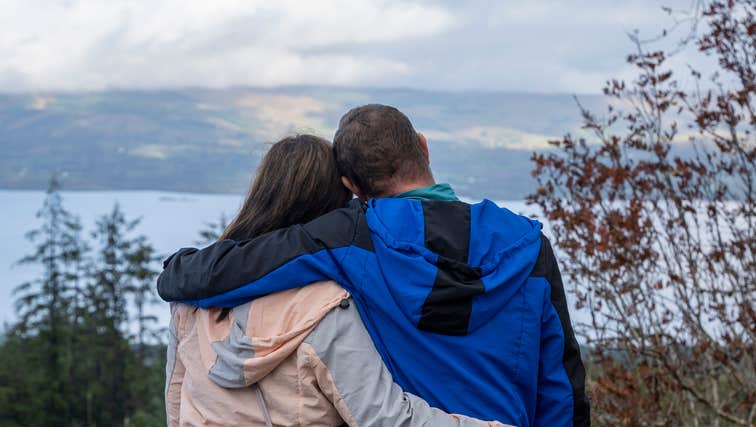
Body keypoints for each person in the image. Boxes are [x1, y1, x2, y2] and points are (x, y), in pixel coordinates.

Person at [159, 105, 590, 427]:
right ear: (423, 145)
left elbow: (222, 274)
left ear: (351, 187)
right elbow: (562, 385)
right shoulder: (530, 247)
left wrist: (177, 269)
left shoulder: (350, 237)